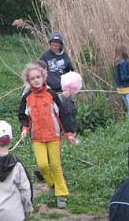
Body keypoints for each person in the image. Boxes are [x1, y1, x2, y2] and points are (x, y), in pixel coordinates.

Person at [18, 62, 77, 209]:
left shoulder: (52, 95)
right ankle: (52, 184)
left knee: (56, 165)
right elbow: (23, 116)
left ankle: (61, 194)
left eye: (38, 77)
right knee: (43, 165)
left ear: (43, 77)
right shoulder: (26, 97)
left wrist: (68, 133)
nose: (36, 80)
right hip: (37, 137)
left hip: (53, 135)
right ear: (28, 81)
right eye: (33, 79)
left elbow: (62, 114)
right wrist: (24, 128)